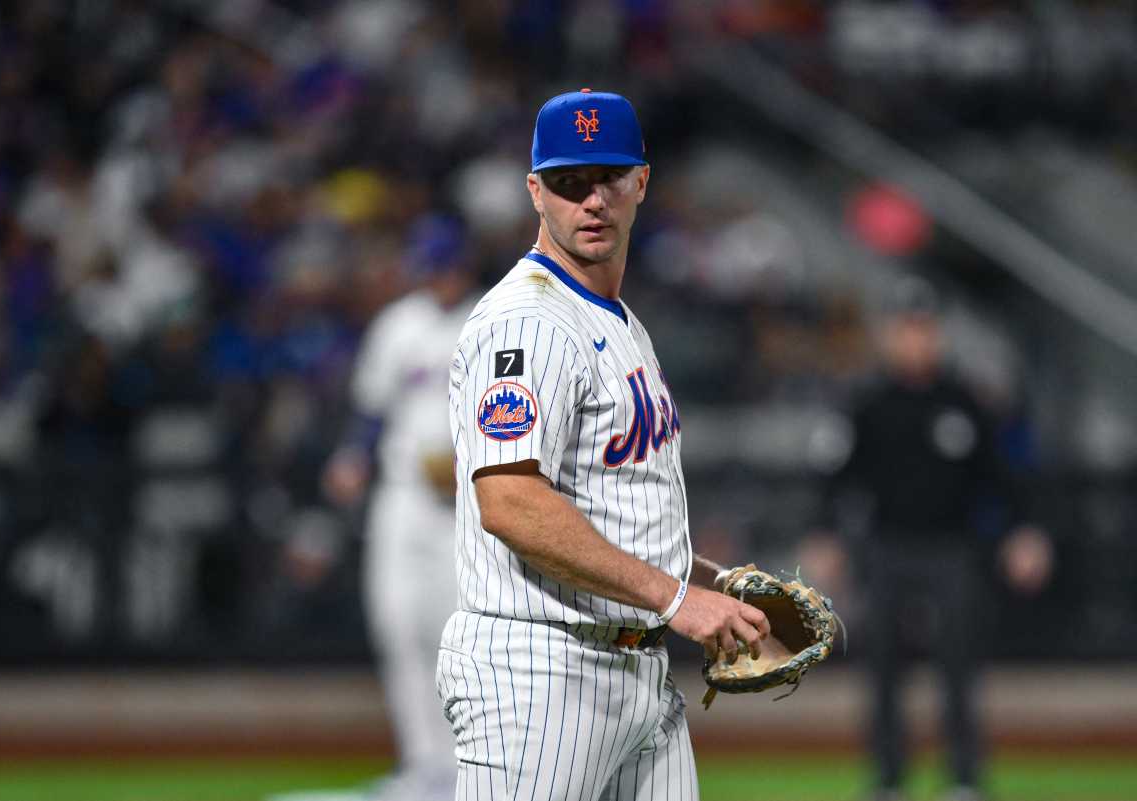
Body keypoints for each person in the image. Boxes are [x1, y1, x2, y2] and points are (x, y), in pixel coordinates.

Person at [437, 89, 772, 801]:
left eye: (609, 177)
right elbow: (510, 500)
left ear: (642, 181)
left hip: (636, 672)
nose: (592, 200)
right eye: (568, 182)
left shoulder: (617, 320)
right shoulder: (528, 322)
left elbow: (610, 496)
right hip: (541, 677)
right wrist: (675, 597)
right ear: (535, 191)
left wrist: (707, 586)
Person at [815, 277, 1053, 801]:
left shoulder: (966, 401)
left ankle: (964, 778)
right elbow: (837, 477)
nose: (915, 341)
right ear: (889, 336)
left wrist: (1024, 532)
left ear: (937, 335)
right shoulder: (868, 403)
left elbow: (1004, 477)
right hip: (885, 548)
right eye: (905, 330)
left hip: (953, 549)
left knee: (959, 664)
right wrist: (827, 535)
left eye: (923, 330)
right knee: (881, 668)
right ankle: (889, 779)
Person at [322, 214, 480, 801]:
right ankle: (423, 766)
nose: (433, 278)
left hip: (472, 507)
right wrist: (351, 457)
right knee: (395, 624)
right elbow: (371, 408)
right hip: (403, 498)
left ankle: (469, 769)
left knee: (456, 637)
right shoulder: (399, 325)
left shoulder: (490, 319)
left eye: (441, 267)